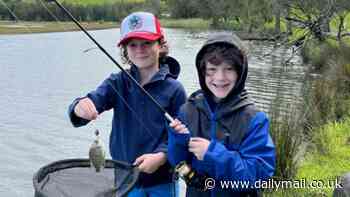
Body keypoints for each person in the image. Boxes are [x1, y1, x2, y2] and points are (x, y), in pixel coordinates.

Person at [68, 12, 187, 197]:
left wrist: (161, 156)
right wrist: (79, 106)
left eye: (147, 43)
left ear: (160, 45)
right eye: (132, 44)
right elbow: (92, 101)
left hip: (163, 180)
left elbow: (181, 134)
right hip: (125, 179)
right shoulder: (117, 82)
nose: (140, 49)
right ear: (125, 50)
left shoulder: (175, 90)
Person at [168, 32, 275, 196]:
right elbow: (178, 163)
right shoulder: (187, 111)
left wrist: (213, 153)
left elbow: (260, 176)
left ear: (240, 73)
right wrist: (177, 141)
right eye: (212, 69)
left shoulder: (255, 119)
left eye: (229, 69)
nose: (220, 77)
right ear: (202, 71)